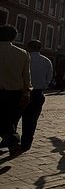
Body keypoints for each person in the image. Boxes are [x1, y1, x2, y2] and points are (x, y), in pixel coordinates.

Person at [0, 25, 32, 157]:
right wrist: (27, 92)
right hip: (15, 92)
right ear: (14, 37)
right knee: (11, 119)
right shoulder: (22, 53)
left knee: (4, 121)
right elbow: (26, 76)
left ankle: (12, 141)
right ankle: (13, 144)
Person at [19, 40, 53, 152]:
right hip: (38, 93)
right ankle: (26, 143)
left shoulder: (23, 57)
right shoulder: (46, 61)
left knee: (13, 117)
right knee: (31, 120)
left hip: (20, 91)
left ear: (28, 47)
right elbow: (49, 78)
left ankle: (11, 140)